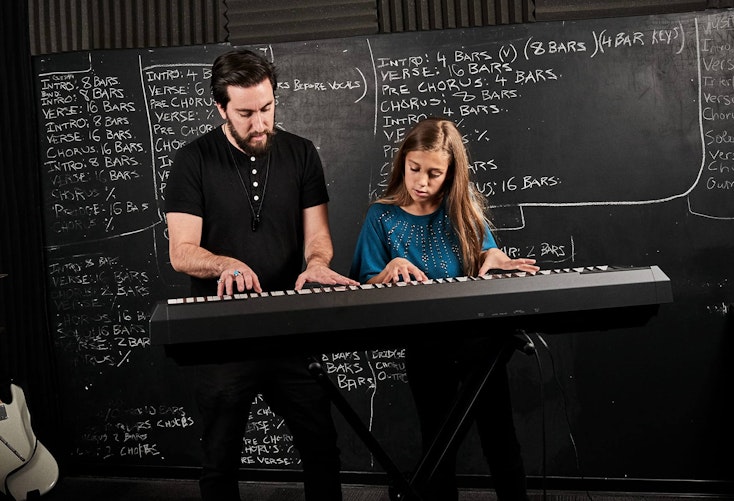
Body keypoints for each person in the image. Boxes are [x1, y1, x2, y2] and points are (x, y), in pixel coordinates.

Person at [163, 48, 358, 501]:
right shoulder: (192, 161)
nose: (260, 123)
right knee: (220, 461)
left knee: (322, 449)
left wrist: (316, 265)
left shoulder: (302, 154)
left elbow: (318, 237)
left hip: (291, 329)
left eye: (267, 108)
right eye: (246, 113)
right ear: (220, 108)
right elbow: (182, 252)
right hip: (223, 335)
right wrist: (224, 263)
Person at [349, 117, 539, 501]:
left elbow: (488, 254)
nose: (421, 181)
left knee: (500, 440)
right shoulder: (381, 217)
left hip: (480, 344)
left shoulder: (463, 211)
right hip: (426, 347)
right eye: (414, 169)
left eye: (434, 174)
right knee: (438, 445)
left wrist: (496, 256)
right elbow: (363, 285)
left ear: (451, 174)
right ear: (402, 161)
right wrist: (388, 270)